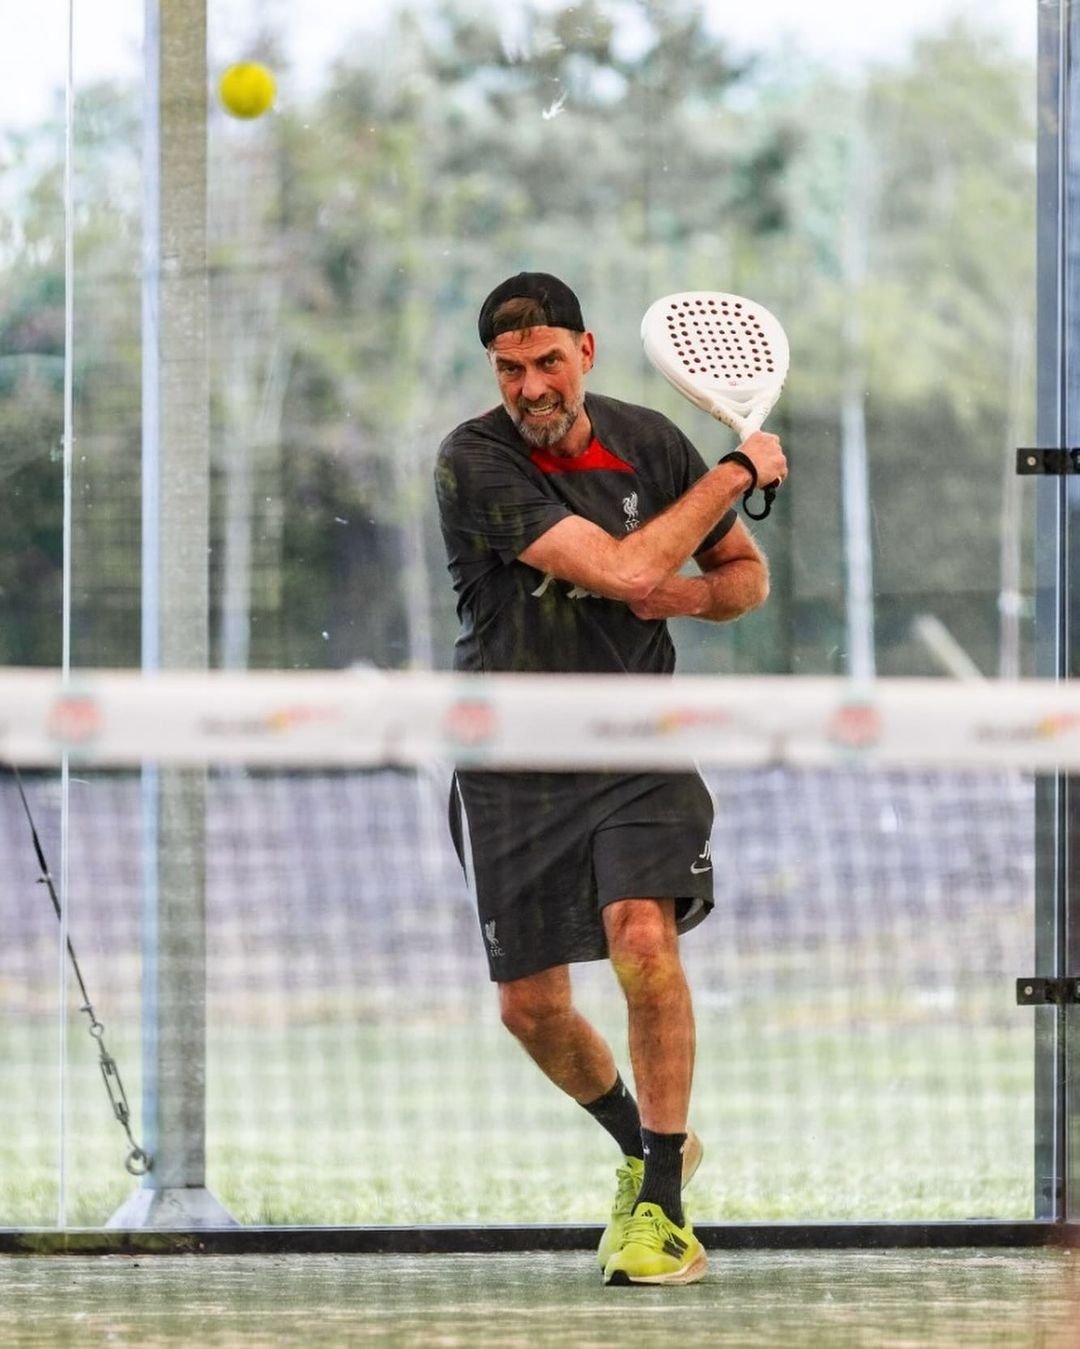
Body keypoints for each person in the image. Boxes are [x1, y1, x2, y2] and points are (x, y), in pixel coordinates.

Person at [435, 272, 787, 1285]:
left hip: (636, 741)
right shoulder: (472, 459)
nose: (532, 385)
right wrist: (734, 471)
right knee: (530, 1008)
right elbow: (623, 572)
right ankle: (641, 1145)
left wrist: (683, 580)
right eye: (510, 368)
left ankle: (663, 1209)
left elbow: (742, 580)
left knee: (643, 937)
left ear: (586, 351)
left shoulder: (650, 443)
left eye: (549, 360)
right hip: (512, 756)